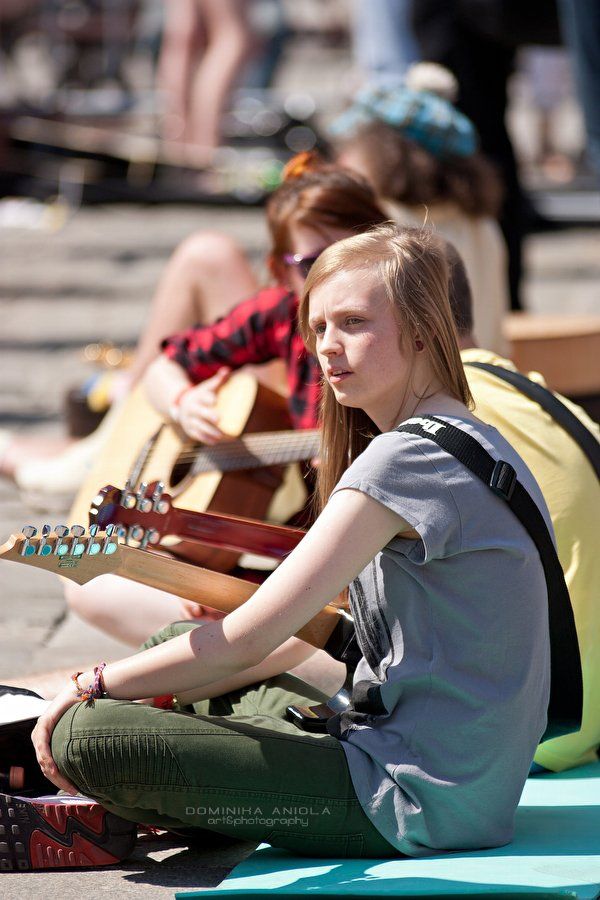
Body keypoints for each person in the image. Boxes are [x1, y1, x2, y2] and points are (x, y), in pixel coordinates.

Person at [22, 224, 552, 870]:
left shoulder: (402, 462)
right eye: (319, 327)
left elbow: (246, 639)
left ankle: (121, 804)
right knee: (172, 651)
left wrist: (89, 684)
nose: (327, 346)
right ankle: (155, 804)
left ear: (421, 332)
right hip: (457, 779)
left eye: (353, 323)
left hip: (414, 799)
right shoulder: (473, 437)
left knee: (89, 734)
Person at [63, 156, 388, 651]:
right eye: (313, 264)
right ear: (280, 271)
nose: (333, 279)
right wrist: (182, 403)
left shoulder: (395, 338)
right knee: (84, 574)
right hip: (294, 562)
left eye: (348, 258)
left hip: (342, 581)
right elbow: (164, 365)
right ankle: (229, 647)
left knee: (95, 580)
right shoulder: (278, 314)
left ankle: (238, 651)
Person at [445, 243, 600, 773]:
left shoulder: (444, 419)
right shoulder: (539, 396)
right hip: (585, 722)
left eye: (354, 319)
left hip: (528, 735)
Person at [330, 63, 510, 355]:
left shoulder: (382, 222)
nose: (340, 157)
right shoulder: (481, 222)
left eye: (354, 144)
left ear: (386, 154)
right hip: (482, 367)